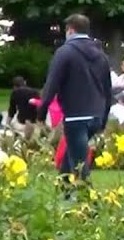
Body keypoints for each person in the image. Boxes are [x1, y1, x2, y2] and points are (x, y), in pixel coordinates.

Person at [39, 14, 113, 188]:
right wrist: (103, 118)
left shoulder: (65, 52)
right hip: (96, 114)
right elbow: (107, 90)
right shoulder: (101, 55)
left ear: (70, 30)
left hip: (75, 116)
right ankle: (62, 188)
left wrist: (41, 112)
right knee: (71, 155)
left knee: (80, 167)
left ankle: (90, 206)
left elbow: (52, 84)